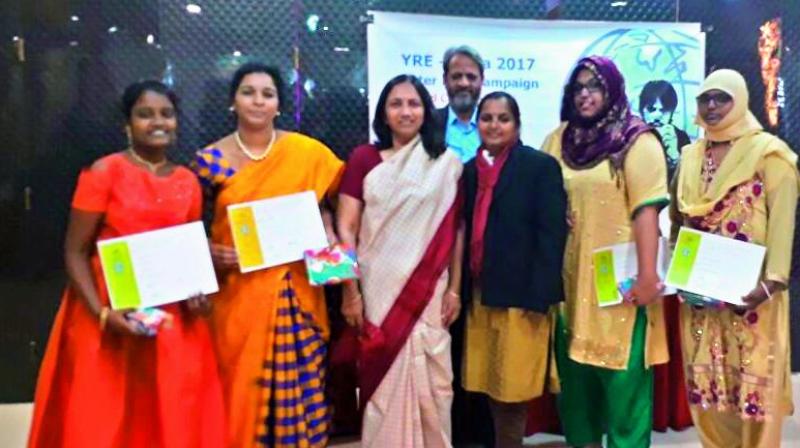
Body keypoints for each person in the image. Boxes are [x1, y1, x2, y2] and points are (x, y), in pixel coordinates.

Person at [28, 80, 225, 447]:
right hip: (107, 311)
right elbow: (74, 251)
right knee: (103, 416)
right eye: (145, 114)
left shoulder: (187, 182)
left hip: (170, 318)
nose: (158, 122)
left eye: (166, 114)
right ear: (127, 123)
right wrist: (102, 314)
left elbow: (187, 253)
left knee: (168, 412)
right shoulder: (104, 172)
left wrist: (198, 299)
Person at [194, 63, 343, 447]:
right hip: (237, 300)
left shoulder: (307, 153)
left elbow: (337, 208)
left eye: (267, 93)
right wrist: (210, 253)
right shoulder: (209, 161)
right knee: (241, 398)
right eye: (248, 92)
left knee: (304, 391)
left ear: (279, 104)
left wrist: (329, 234)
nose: (258, 101)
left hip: (299, 298)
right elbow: (187, 230)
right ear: (233, 101)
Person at [542, 56, 670, 448]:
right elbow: (543, 198)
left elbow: (646, 210)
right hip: (570, 287)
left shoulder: (636, 140)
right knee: (577, 403)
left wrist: (648, 277)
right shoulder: (558, 139)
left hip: (622, 290)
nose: (585, 95)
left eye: (594, 86)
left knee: (624, 401)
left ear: (612, 89)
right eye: (578, 87)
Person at [671, 69, 798, 448]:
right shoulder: (690, 156)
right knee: (709, 385)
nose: (711, 107)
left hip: (754, 297)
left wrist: (771, 282)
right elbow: (680, 221)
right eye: (705, 99)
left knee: (754, 384)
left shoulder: (770, 154)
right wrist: (681, 274)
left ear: (740, 100)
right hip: (702, 299)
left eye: (721, 98)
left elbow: (783, 220)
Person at [337, 74, 463, 447]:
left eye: (413, 103)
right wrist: (351, 292)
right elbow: (345, 229)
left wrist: (455, 289)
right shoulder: (364, 158)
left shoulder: (446, 163)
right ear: (384, 113)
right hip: (377, 292)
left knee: (435, 382)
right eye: (396, 104)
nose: (405, 112)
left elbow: (454, 231)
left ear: (426, 110)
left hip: (430, 293)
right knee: (383, 383)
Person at [461, 91, 567, 448]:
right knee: (488, 384)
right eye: (487, 118)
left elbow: (551, 237)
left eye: (503, 118)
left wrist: (541, 299)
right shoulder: (468, 172)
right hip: (481, 294)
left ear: (517, 125)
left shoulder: (539, 167)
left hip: (522, 299)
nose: (494, 125)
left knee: (513, 389)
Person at [435, 45, 485, 163]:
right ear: (445, 80)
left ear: (482, 80)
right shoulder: (428, 124)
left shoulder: (496, 127)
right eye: (456, 77)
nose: (464, 83)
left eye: (471, 77)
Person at [638, 80, 692, 179]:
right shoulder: (631, 137)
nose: (657, 116)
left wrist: (675, 158)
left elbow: (689, 182)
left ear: (672, 112)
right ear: (641, 110)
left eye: (664, 110)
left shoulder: (681, 137)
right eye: (651, 109)